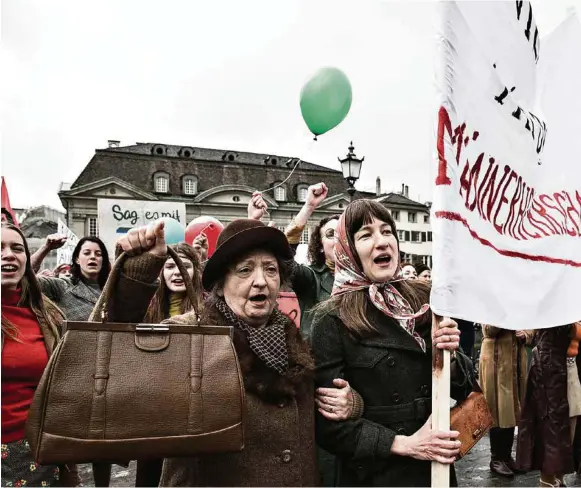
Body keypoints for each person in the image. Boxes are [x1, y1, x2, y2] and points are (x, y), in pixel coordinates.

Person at [109, 219, 352, 486]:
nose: (261, 281)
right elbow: (119, 363)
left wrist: (350, 403)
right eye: (245, 270)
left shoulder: (295, 341)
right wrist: (137, 274)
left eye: (270, 270)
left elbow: (318, 419)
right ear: (221, 285)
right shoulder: (190, 335)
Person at [311, 199, 474, 487]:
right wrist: (405, 444)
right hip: (374, 474)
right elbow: (328, 428)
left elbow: (464, 388)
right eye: (366, 235)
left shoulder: (425, 301)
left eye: (387, 232)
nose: (382, 242)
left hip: (434, 471)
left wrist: (450, 356)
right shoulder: (331, 317)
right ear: (348, 250)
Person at [248, 184, 362, 485]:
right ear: (320, 246)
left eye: (344, 234)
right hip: (322, 381)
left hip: (360, 380)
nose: (338, 240)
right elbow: (283, 257)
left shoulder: (368, 285)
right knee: (326, 459)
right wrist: (309, 207)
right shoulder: (312, 279)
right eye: (329, 235)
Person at [1, 222, 78, 487]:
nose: (9, 254)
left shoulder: (48, 314)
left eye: (17, 248)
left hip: (40, 451)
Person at [31, 234, 112, 486]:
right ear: (76, 258)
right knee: (69, 439)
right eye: (87, 253)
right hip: (73, 375)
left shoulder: (114, 288)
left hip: (107, 375)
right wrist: (45, 247)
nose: (92, 257)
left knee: (103, 444)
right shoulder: (62, 286)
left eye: (98, 253)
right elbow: (26, 279)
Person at [135, 242, 203, 487]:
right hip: (153, 404)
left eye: (185, 266)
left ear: (196, 270)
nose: (177, 272)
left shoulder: (206, 309)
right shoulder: (146, 305)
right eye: (170, 266)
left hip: (189, 402)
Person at [517, 323, 581, 487]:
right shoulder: (556, 309)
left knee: (568, 428)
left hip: (569, 367)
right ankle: (548, 482)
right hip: (550, 368)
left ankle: (558, 479)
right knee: (551, 432)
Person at [479, 326, 534, 477]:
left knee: (511, 407)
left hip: (515, 357)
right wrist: (506, 319)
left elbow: (531, 322)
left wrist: (526, 334)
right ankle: (496, 459)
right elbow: (488, 330)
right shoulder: (490, 302)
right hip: (495, 358)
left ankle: (506, 456)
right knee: (496, 406)